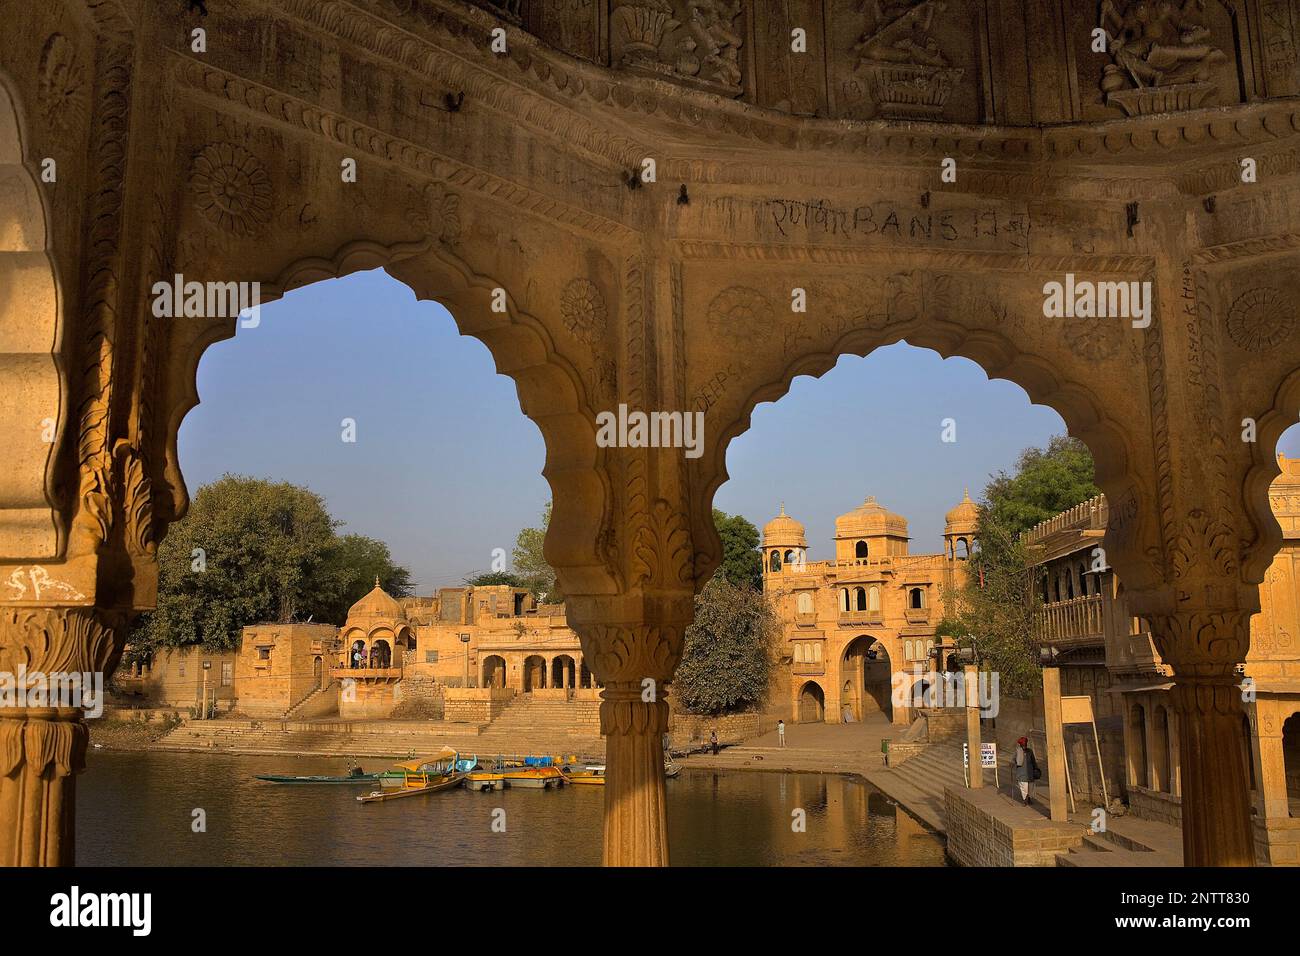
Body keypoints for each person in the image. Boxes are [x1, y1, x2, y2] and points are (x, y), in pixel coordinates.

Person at [1013, 735, 1040, 806]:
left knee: (1031, 788)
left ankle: (1029, 798)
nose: (1024, 746)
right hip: (1021, 774)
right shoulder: (1017, 751)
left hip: (1030, 773)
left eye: (1025, 744)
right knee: (1024, 788)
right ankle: (1025, 800)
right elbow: (1014, 760)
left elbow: (1033, 761)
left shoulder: (1030, 751)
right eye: (1023, 745)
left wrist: (1036, 768)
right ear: (1021, 745)